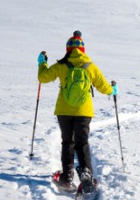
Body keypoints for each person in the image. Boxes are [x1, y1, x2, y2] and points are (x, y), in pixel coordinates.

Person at [37, 31, 113, 191]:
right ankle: (86, 174)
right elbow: (104, 88)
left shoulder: (61, 65)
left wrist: (42, 63)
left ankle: (67, 177)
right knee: (82, 142)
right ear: (83, 50)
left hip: (64, 111)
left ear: (68, 49)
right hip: (84, 112)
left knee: (67, 142)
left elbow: (43, 78)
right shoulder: (90, 66)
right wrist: (113, 89)